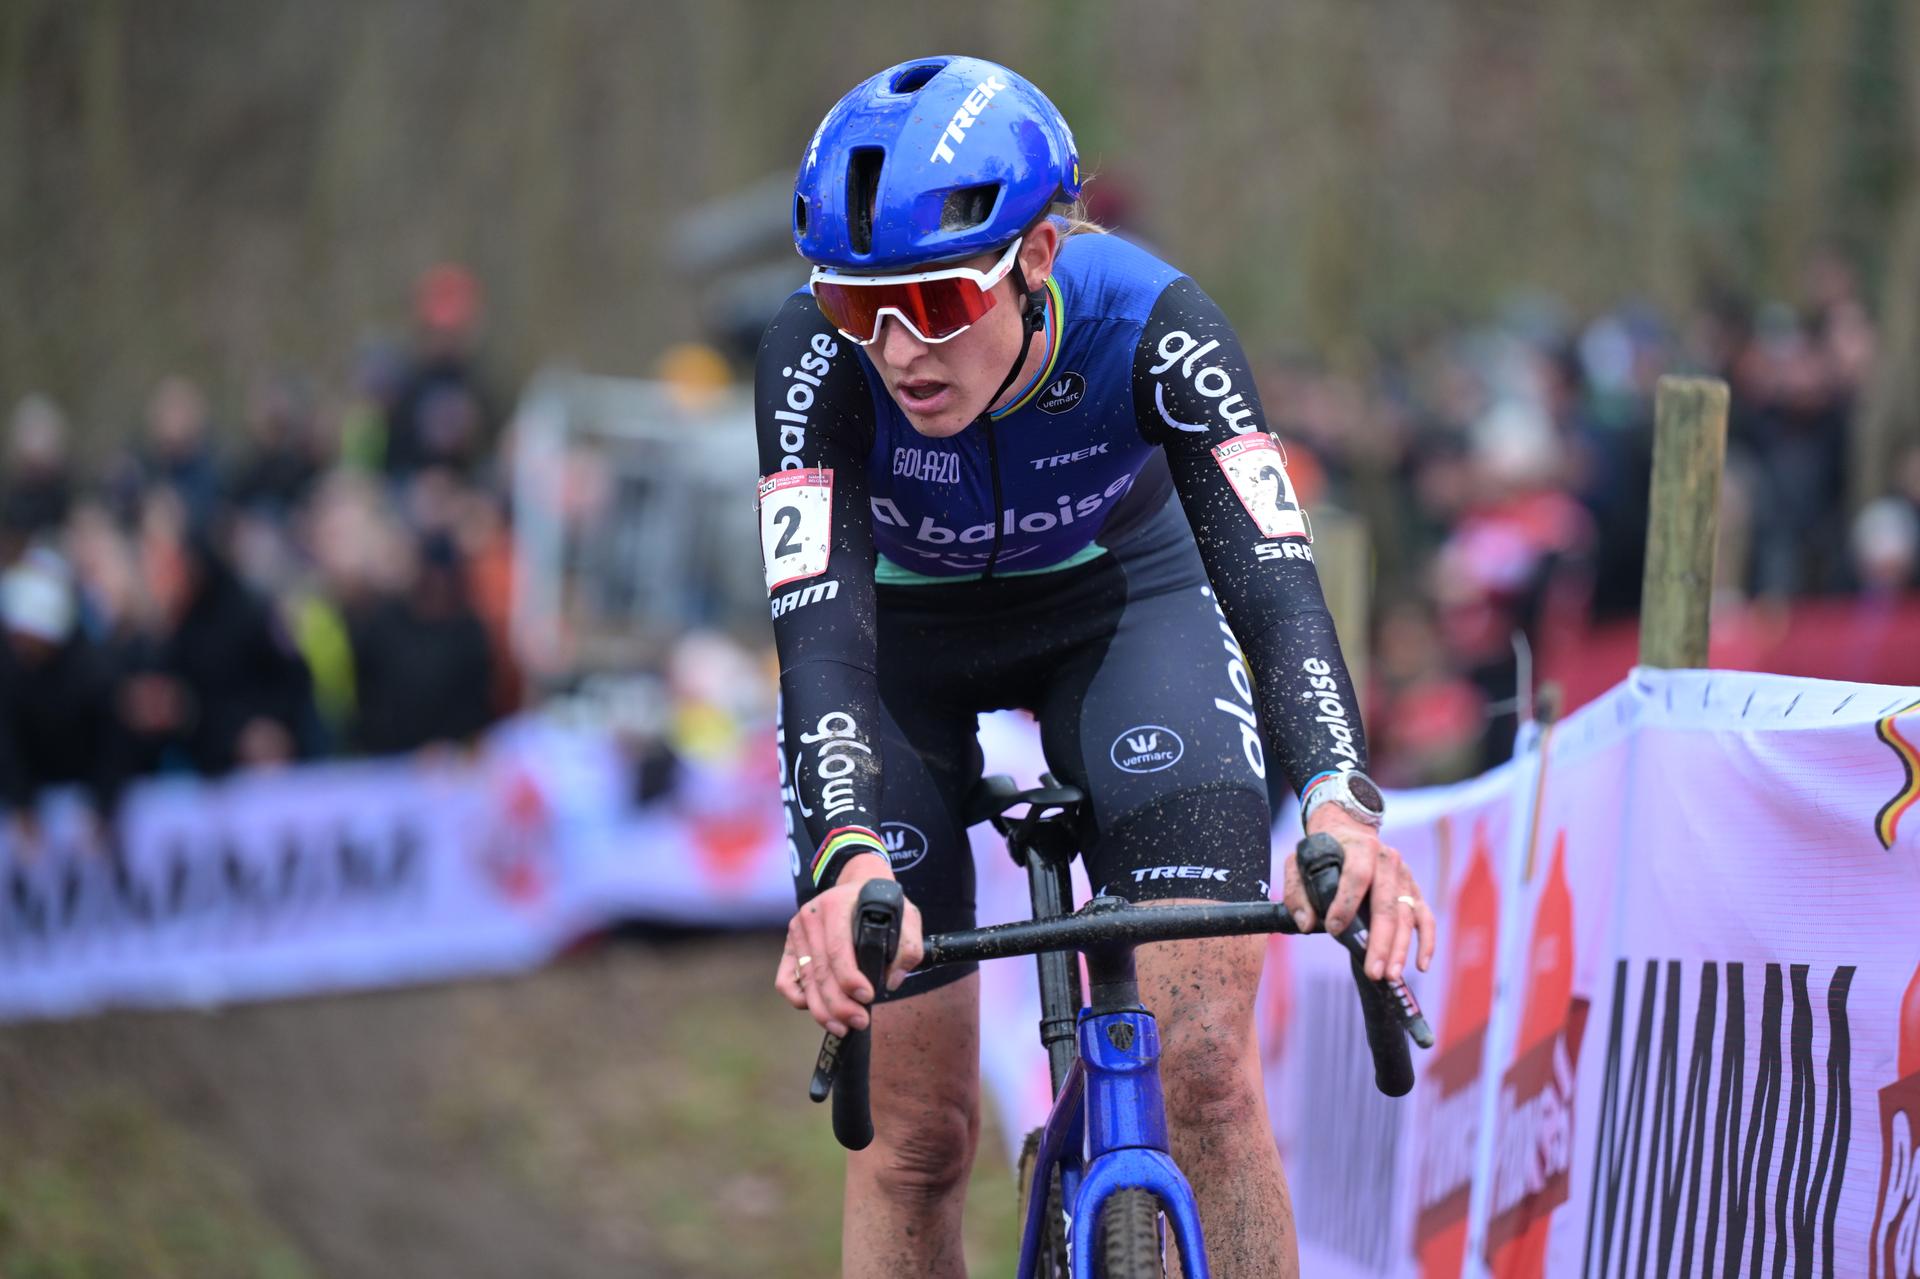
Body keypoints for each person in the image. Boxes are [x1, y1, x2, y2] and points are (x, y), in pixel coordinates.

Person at [757, 57, 1437, 1279]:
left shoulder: (1157, 321)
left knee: (1211, 1080)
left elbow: (1278, 587)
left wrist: (1341, 799)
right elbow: (818, 638)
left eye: (940, 303)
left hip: (1123, 610)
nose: (900, 349)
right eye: (864, 310)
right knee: (915, 1141)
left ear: (1039, 257)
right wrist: (843, 851)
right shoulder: (808, 367)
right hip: (897, 656)